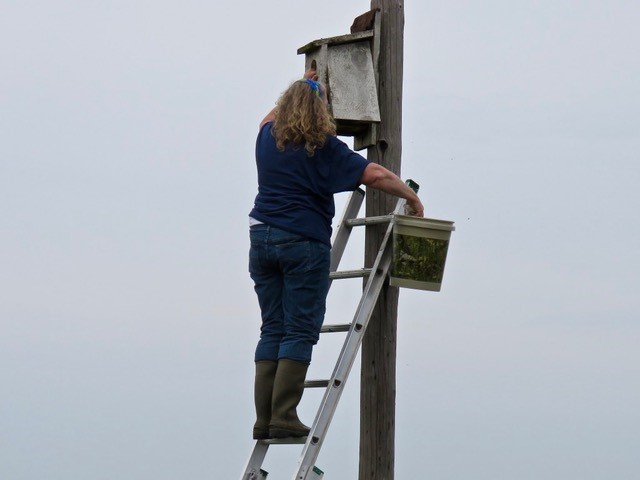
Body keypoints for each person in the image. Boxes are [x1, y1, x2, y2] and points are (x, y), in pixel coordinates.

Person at [248, 69, 424, 440]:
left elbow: (268, 117)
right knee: (298, 328)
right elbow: (374, 174)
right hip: (302, 242)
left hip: (261, 239)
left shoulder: (266, 138)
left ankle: (263, 419)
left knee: (273, 327)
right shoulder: (322, 148)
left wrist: (300, 83)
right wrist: (410, 197)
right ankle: (283, 416)